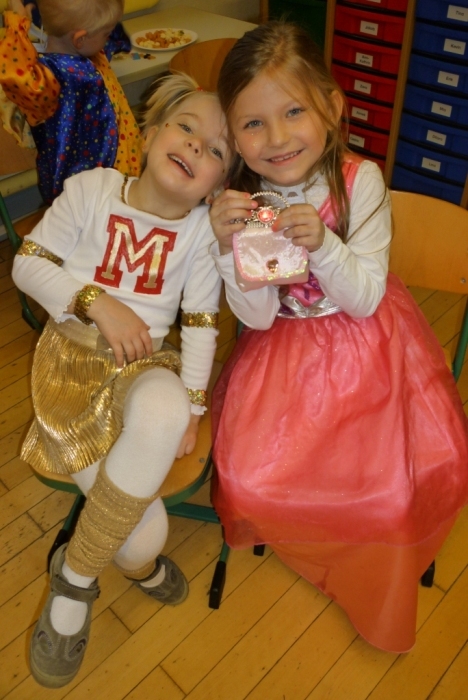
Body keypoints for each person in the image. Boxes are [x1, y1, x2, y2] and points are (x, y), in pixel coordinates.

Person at [209, 21, 468, 654]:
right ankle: (310, 536)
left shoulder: (361, 181)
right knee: (247, 479)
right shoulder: (250, 199)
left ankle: (371, 567)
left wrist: (323, 245)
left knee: (390, 486)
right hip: (284, 354)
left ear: (331, 106)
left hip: (368, 349)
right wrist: (227, 251)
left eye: (294, 111)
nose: (277, 138)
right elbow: (260, 318)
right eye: (253, 124)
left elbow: (364, 298)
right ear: (235, 137)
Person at [12, 73, 232, 688]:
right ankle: (133, 567)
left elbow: (200, 323)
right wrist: (97, 303)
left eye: (216, 149)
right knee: (145, 539)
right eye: (186, 127)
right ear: (151, 133)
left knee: (166, 409)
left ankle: (73, 582)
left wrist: (193, 406)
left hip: (144, 367)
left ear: (218, 184)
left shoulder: (201, 234)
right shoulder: (92, 189)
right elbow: (28, 265)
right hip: (71, 371)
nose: (196, 146)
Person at [0, 0, 141, 203]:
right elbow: (15, 76)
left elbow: (100, 20)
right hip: (82, 195)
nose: (108, 38)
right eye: (106, 34)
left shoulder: (89, 51)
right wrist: (16, 25)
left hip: (117, 173)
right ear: (80, 39)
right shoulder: (48, 80)